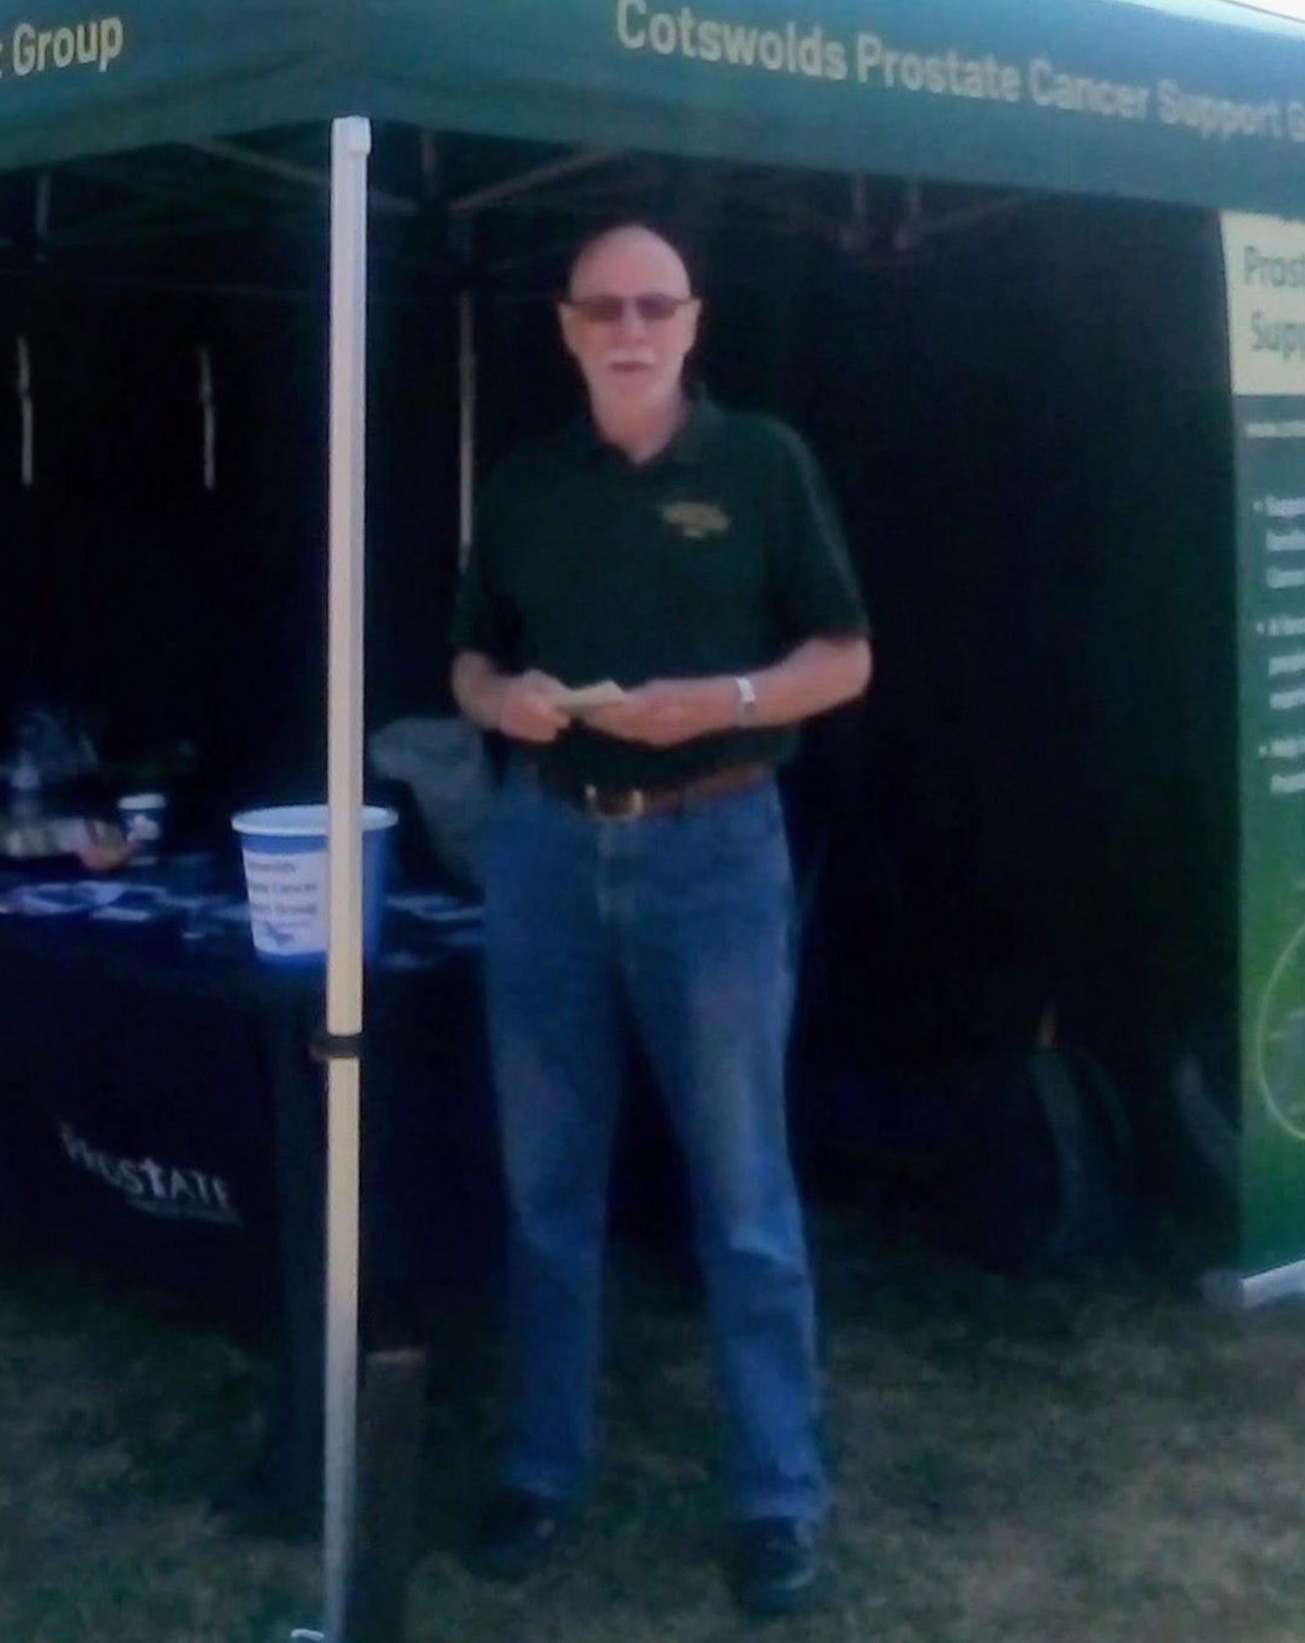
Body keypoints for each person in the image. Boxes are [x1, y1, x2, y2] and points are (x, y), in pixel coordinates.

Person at [449, 222, 872, 1620]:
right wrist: (497, 704)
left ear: (693, 321)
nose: (629, 328)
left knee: (743, 1201)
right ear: (566, 328)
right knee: (546, 1194)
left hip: (717, 851)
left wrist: (728, 700)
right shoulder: (520, 484)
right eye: (602, 307)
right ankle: (539, 1468)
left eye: (655, 305)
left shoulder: (765, 466)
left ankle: (775, 1497)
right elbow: (467, 654)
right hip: (548, 855)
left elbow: (846, 657)